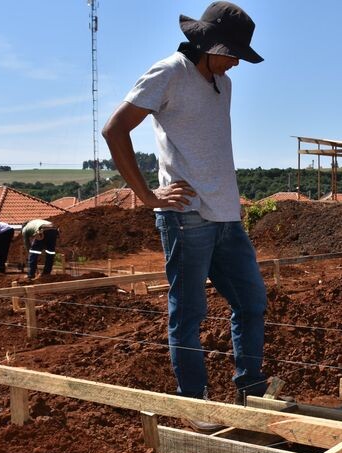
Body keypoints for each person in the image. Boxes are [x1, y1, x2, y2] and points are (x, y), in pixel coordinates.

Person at [102, 1, 268, 427]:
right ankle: (193, 402)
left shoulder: (223, 83)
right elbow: (114, 129)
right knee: (189, 312)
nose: (235, 63)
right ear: (208, 45)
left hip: (227, 216)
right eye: (231, 54)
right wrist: (147, 196)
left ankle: (251, 391)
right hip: (187, 215)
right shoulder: (168, 72)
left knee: (251, 303)